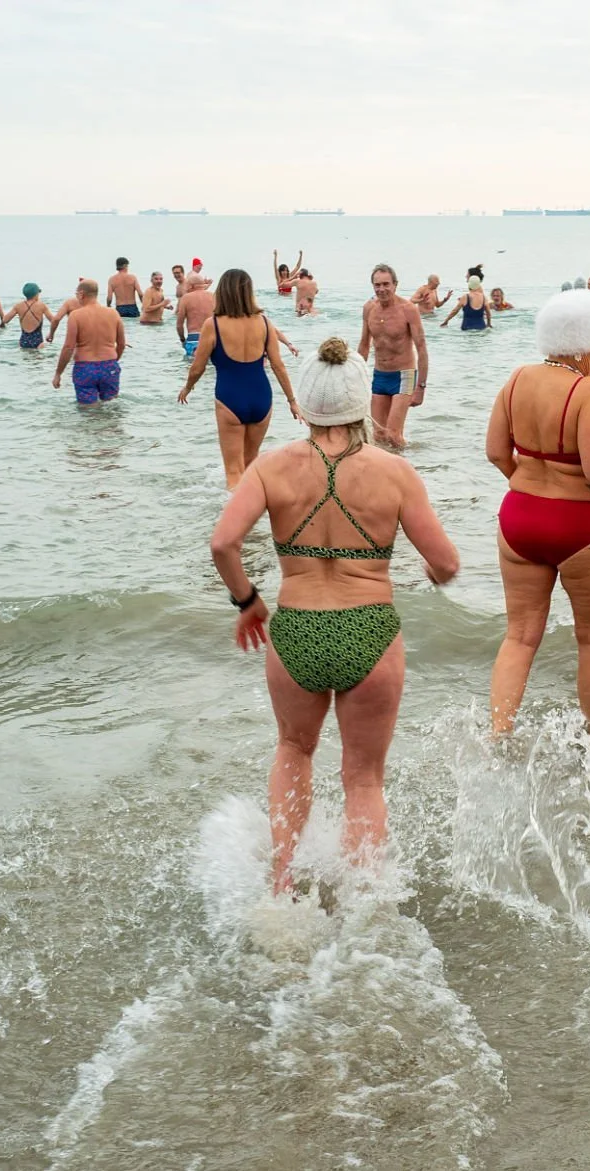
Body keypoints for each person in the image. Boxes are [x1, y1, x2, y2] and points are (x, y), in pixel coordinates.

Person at [208, 336, 461, 894]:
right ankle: (365, 898)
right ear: (358, 399)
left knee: (294, 749)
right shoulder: (394, 472)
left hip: (295, 630)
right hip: (369, 629)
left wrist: (248, 602)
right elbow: (445, 562)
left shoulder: (271, 469)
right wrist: (431, 577)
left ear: (306, 402)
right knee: (364, 778)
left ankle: (282, 881)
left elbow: (223, 543)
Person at [486, 289, 590, 737]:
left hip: (519, 518)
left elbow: (496, 452)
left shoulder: (517, 378)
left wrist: (531, 484)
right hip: (580, 528)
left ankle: (498, 736)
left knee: (519, 636)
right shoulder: (588, 390)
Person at [179, 269, 301, 487]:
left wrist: (188, 387)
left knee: (233, 472)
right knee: (251, 464)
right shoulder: (264, 323)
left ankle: (235, 518)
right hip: (262, 398)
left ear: (222, 292)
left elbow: (197, 367)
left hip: (229, 399)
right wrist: (292, 401)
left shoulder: (213, 324)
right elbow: (278, 366)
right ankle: (255, 515)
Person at [356, 264, 428, 450]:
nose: (381, 289)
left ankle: (406, 469)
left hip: (404, 375)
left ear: (395, 285)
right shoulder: (369, 308)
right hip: (380, 375)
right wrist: (355, 376)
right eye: (377, 285)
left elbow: (421, 349)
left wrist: (421, 387)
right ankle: (383, 474)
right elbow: (364, 345)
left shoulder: (408, 309)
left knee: (393, 435)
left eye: (386, 284)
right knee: (378, 435)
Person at [51, 280, 125, 406]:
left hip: (85, 368)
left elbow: (69, 347)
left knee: (87, 411)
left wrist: (58, 373)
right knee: (111, 408)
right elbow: (121, 344)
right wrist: (112, 363)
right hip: (109, 366)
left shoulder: (75, 316)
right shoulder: (113, 313)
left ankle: (90, 426)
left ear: (81, 294)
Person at [176, 272, 216, 358]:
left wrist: (183, 340)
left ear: (191, 285)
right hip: (211, 337)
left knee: (192, 366)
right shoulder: (212, 296)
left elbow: (179, 325)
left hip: (194, 339)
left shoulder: (186, 298)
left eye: (187, 285)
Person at [7, 284, 49, 350]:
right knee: (38, 359)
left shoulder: (18, 306)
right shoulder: (41, 306)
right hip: (38, 342)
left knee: (25, 359)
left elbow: (5, 320)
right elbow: (54, 320)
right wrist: (51, 333)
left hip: (23, 341)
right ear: (36, 294)